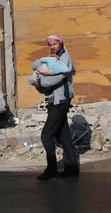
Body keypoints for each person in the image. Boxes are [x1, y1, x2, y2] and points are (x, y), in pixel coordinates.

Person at [27, 34, 79, 181]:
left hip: (60, 101)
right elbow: (47, 88)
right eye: (50, 44)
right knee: (63, 135)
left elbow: (58, 78)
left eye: (54, 43)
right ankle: (72, 169)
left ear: (61, 43)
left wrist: (41, 78)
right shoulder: (53, 59)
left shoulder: (64, 59)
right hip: (54, 100)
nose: (52, 46)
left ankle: (51, 170)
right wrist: (38, 83)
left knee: (46, 135)